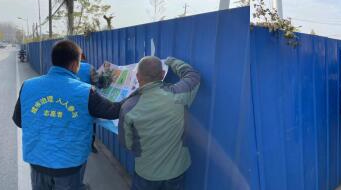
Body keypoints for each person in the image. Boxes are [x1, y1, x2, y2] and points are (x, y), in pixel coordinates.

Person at [12, 40, 124, 190]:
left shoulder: (28, 85)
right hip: (69, 164)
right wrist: (139, 92)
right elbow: (113, 111)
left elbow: (19, 120)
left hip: (37, 160)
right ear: (74, 64)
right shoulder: (86, 92)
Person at [119, 56, 201, 190]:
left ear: (138, 77)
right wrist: (171, 61)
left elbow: (126, 144)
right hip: (176, 170)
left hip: (146, 172)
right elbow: (193, 76)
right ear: (163, 74)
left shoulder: (128, 107)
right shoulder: (178, 94)